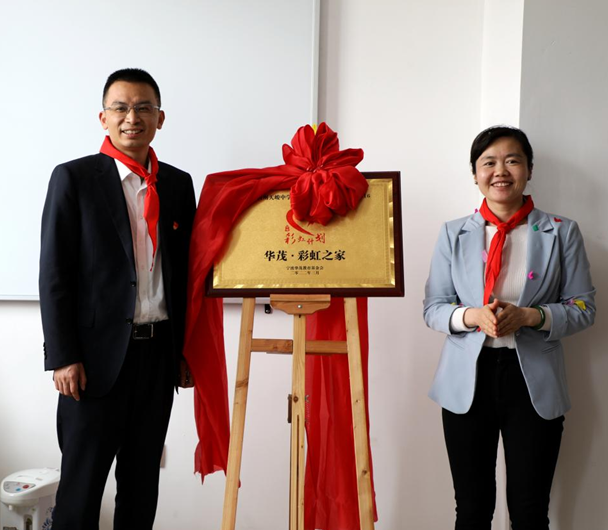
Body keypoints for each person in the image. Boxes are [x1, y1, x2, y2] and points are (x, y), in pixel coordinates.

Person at [39, 68, 196, 530]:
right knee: (80, 494)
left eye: (144, 108)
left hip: (157, 358)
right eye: (121, 108)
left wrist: (184, 351)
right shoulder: (74, 178)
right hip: (92, 364)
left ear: (160, 118)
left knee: (141, 488)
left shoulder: (178, 184)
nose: (133, 118)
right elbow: (54, 275)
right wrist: (63, 356)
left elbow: (185, 274)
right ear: (103, 117)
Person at [423, 125, 595, 530]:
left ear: (529, 169)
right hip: (468, 380)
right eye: (489, 162)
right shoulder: (453, 233)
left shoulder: (562, 231)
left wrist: (531, 316)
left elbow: (584, 308)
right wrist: (472, 316)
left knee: (530, 510)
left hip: (533, 381)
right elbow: (433, 307)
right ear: (475, 174)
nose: (500, 171)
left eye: (512, 160)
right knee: (471, 508)